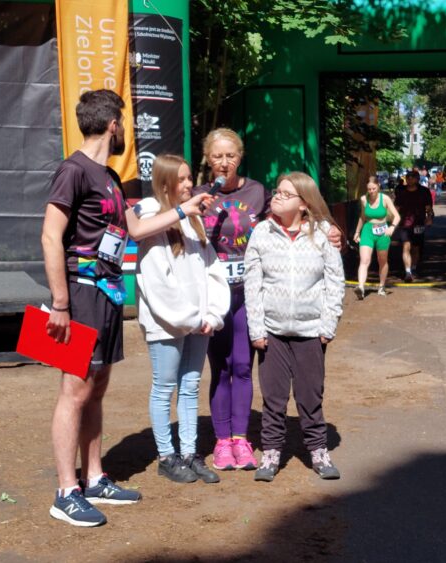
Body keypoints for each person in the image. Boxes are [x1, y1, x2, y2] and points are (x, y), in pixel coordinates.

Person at [42, 89, 213, 528]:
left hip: (109, 293)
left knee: (96, 388)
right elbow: (50, 235)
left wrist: (185, 210)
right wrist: (60, 302)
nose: (127, 132)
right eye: (125, 124)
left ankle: (95, 478)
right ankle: (66, 491)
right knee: (74, 390)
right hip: (79, 293)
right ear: (113, 124)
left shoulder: (110, 177)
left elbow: (134, 230)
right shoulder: (73, 170)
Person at [192, 128, 343, 472]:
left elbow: (297, 216)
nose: (224, 162)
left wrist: (332, 230)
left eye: (231, 155)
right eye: (217, 156)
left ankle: (242, 440)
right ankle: (223, 441)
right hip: (213, 295)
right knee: (220, 368)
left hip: (249, 297)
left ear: (240, 157)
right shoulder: (199, 196)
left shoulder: (258, 192)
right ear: (208, 158)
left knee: (243, 367)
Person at [134, 154, 230, 484]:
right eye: (182, 179)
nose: (190, 184)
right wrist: (190, 318)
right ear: (165, 184)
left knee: (189, 387)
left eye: (190, 178)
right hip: (167, 323)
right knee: (164, 388)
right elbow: (157, 279)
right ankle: (166, 457)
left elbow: (211, 269)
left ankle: (189, 454)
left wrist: (212, 314)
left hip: (199, 322)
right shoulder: (152, 215)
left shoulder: (193, 220)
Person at [243, 172, 345, 482]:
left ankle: (318, 451)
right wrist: (257, 329)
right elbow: (253, 283)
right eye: (277, 191)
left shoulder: (323, 234)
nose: (277, 197)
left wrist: (328, 325)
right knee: (273, 398)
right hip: (272, 332)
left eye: (286, 194)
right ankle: (271, 453)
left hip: (311, 332)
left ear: (303, 203)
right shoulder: (262, 233)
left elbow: (335, 282)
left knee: (310, 396)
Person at [353, 176, 401, 298]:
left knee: (382, 260)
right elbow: (362, 217)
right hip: (368, 231)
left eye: (374, 189)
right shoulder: (364, 199)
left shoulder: (385, 199)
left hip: (383, 231)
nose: (371, 191)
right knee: (364, 260)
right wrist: (357, 232)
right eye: (369, 189)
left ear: (378, 186)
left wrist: (392, 227)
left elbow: (397, 216)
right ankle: (361, 287)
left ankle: (381, 286)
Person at [394, 170, 434, 282]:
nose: (410, 180)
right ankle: (408, 272)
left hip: (418, 223)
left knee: (416, 248)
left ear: (417, 179)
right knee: (406, 246)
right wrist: (392, 221)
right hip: (404, 223)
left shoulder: (424, 191)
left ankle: (414, 268)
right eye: (408, 178)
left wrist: (429, 217)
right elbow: (396, 208)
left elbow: (428, 207)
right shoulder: (401, 191)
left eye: (412, 178)